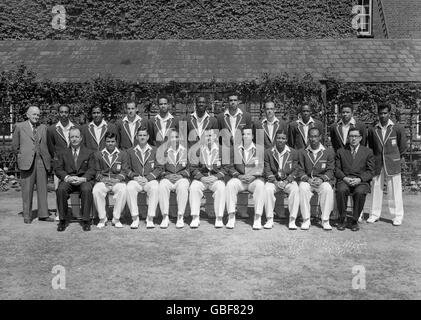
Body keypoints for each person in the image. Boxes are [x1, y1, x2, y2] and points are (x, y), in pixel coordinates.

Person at [367, 104, 407, 226]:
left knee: (394, 189)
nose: (383, 116)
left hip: (393, 162)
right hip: (378, 162)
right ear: (378, 114)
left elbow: (402, 146)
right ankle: (374, 214)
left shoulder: (397, 128)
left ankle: (397, 216)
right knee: (376, 188)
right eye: (380, 113)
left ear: (389, 113)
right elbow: (372, 147)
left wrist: (395, 157)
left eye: (385, 113)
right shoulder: (373, 129)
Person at [12, 106, 53, 224]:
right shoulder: (19, 127)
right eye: (34, 114)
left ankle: (43, 214)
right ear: (27, 115)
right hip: (26, 162)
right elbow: (15, 146)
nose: (36, 117)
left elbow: (48, 145)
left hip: (41, 161)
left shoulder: (43, 127)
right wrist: (21, 156)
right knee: (27, 190)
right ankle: (27, 215)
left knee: (43, 189)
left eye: (38, 115)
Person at [55, 126, 96, 231]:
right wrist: (67, 177)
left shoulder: (89, 152)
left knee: (87, 189)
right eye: (72, 137)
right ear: (69, 138)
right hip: (69, 180)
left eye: (76, 137)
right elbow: (58, 169)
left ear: (81, 138)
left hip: (83, 180)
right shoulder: (63, 152)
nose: (74, 139)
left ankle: (86, 220)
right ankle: (63, 220)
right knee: (61, 190)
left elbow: (92, 169)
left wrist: (83, 179)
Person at [335, 128, 375, 231]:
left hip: (360, 181)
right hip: (345, 179)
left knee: (360, 192)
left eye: (356, 136)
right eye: (351, 136)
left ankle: (354, 220)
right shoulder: (341, 151)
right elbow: (336, 169)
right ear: (348, 138)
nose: (353, 139)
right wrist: (344, 178)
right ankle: (342, 218)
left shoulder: (367, 152)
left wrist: (360, 179)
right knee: (341, 190)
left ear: (360, 138)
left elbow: (371, 171)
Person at [225, 126, 265, 230]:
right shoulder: (235, 149)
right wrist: (239, 175)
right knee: (230, 184)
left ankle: (257, 217)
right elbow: (230, 167)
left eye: (248, 134)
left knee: (260, 185)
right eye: (244, 134)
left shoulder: (260, 149)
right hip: (240, 179)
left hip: (253, 180)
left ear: (252, 136)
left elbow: (262, 167)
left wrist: (254, 176)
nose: (245, 136)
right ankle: (231, 216)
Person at [297, 127, 335, 231]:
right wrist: (307, 179)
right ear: (308, 137)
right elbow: (299, 169)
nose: (313, 139)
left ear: (320, 137)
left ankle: (325, 220)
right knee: (302, 187)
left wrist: (322, 179)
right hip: (308, 180)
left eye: (315, 136)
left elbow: (331, 170)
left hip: (321, 181)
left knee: (327, 188)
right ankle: (306, 219)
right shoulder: (303, 152)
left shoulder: (328, 152)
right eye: (311, 136)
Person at [189, 129, 226, 228]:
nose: (208, 138)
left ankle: (219, 217)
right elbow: (193, 167)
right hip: (203, 179)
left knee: (221, 188)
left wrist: (216, 177)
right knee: (194, 188)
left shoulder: (223, 150)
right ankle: (195, 217)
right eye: (206, 136)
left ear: (215, 137)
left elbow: (226, 168)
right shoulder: (197, 150)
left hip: (215, 179)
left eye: (210, 135)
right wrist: (201, 178)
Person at [126, 126, 162, 229]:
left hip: (149, 180)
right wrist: (135, 177)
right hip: (136, 180)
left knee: (155, 187)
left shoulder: (155, 150)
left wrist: (148, 178)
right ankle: (135, 217)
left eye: (144, 135)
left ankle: (150, 218)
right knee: (129, 187)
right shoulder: (130, 151)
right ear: (137, 137)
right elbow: (126, 169)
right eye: (140, 135)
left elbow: (159, 168)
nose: (142, 137)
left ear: (148, 137)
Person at [264, 129, 300, 230]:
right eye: (279, 138)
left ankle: (292, 220)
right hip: (273, 181)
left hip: (288, 181)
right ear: (275, 139)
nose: (280, 140)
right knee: (267, 189)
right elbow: (267, 170)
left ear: (286, 140)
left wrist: (286, 181)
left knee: (295, 189)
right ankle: (269, 219)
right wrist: (275, 182)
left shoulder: (293, 152)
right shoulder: (268, 152)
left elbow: (296, 170)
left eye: (283, 138)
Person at [92, 132, 129, 229]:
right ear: (105, 142)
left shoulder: (122, 154)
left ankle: (116, 218)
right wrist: (103, 179)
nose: (110, 143)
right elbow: (97, 171)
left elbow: (124, 171)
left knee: (123, 190)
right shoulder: (98, 154)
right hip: (103, 181)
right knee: (96, 190)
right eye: (108, 141)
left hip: (117, 181)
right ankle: (102, 218)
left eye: (112, 141)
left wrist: (116, 180)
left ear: (116, 142)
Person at [47, 104, 76, 220]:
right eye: (61, 112)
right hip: (60, 164)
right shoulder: (52, 129)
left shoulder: (76, 127)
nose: (64, 114)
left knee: (74, 186)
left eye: (66, 112)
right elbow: (50, 147)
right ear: (58, 113)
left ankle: (75, 211)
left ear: (69, 113)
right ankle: (60, 213)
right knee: (59, 188)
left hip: (74, 163)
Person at [158, 129, 190, 229]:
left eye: (176, 137)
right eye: (172, 137)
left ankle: (180, 216)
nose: (174, 139)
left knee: (183, 185)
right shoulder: (163, 151)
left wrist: (181, 175)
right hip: (168, 178)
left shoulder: (186, 151)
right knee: (162, 185)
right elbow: (160, 168)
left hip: (181, 178)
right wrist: (167, 175)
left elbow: (190, 168)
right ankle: (165, 216)